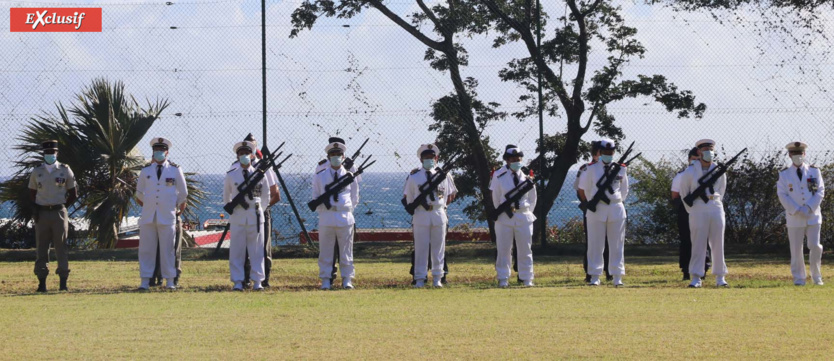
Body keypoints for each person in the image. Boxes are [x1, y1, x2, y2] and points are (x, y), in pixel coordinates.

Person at [135, 137, 187, 290]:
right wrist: (148, 204)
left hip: (167, 215)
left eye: (161, 150)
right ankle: (145, 281)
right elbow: (139, 193)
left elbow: (183, 193)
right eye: (156, 150)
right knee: (146, 249)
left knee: (168, 249)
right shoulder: (146, 170)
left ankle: (170, 280)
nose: (159, 153)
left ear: (167, 152)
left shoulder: (175, 169)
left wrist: (174, 205)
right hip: (148, 215)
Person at [403, 144, 457, 288]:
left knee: (438, 248)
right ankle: (420, 278)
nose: (429, 160)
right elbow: (409, 198)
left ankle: (437, 277)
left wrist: (439, 207)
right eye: (426, 158)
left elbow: (448, 195)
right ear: (421, 159)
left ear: (436, 158)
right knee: (421, 248)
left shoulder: (443, 176)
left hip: (438, 213)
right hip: (421, 214)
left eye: (431, 158)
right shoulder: (414, 176)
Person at [231, 134, 280, 288]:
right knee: (241, 248)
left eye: (251, 147)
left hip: (260, 211)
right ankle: (242, 279)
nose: (247, 151)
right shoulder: (234, 167)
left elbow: (275, 193)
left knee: (262, 248)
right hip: (241, 212)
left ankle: (262, 280)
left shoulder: (263, 167)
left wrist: (261, 208)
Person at [678, 139, 729, 288]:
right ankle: (696, 277)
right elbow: (684, 194)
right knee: (698, 243)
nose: (708, 152)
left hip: (715, 206)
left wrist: (714, 202)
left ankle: (720, 277)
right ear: (699, 152)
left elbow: (721, 191)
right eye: (705, 149)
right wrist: (693, 210)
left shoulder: (719, 170)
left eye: (711, 149)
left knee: (718, 243)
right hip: (698, 208)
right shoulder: (690, 171)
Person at [578, 139, 629, 287]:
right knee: (595, 244)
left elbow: (624, 190)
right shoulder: (590, 169)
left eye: (611, 152)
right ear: (599, 152)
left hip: (616, 207)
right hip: (597, 208)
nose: (608, 155)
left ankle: (617, 276)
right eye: (605, 152)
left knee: (617, 244)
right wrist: (593, 203)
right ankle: (594, 276)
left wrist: (616, 201)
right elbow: (584, 190)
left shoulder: (621, 169)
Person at [28, 140, 77, 292]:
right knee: (41, 247)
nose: (50, 155)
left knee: (61, 247)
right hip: (42, 213)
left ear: (57, 153)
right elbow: (32, 192)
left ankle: (63, 282)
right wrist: (37, 207)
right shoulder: (37, 171)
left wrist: (62, 206)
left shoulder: (65, 170)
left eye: (52, 152)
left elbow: (73, 193)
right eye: (47, 153)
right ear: (44, 154)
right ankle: (41, 283)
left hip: (59, 212)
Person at [312, 139, 360, 290]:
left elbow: (355, 198)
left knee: (346, 251)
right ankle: (326, 279)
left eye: (338, 154)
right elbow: (316, 197)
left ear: (343, 157)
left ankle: (347, 279)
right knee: (326, 251)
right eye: (332, 154)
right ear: (328, 157)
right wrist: (326, 210)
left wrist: (344, 209)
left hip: (344, 216)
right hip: (327, 216)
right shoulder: (320, 176)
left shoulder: (350, 176)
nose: (335, 157)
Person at [223, 140, 271, 291]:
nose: (244, 156)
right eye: (241, 153)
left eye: (246, 153)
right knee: (237, 250)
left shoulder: (260, 175)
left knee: (257, 250)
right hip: (238, 216)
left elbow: (266, 196)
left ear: (252, 155)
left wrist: (258, 210)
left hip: (255, 216)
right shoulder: (231, 175)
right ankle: (238, 281)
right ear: (237, 156)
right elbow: (226, 197)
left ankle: (258, 281)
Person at [776, 141, 825, 286]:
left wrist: (809, 207)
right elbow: (782, 194)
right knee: (796, 249)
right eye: (795, 154)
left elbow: (820, 191)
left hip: (813, 215)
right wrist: (796, 209)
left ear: (804, 154)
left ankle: (816, 277)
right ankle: (799, 278)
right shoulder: (784, 174)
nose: (798, 156)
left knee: (815, 245)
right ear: (790, 155)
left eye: (800, 153)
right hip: (794, 217)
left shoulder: (814, 171)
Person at [490, 145, 537, 288]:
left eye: (518, 159)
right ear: (507, 160)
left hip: (524, 216)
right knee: (504, 249)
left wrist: (524, 212)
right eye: (513, 159)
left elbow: (532, 199)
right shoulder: (499, 176)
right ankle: (503, 278)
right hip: (505, 218)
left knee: (525, 249)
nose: (516, 161)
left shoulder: (526, 177)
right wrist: (505, 211)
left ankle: (527, 277)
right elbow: (496, 198)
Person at [671, 147, 710, 280]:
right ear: (688, 160)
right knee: (686, 240)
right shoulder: (682, 175)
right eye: (693, 159)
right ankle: (686, 270)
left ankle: (704, 267)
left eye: (698, 159)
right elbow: (675, 196)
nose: (695, 162)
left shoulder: (707, 174)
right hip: (685, 210)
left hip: (703, 209)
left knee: (702, 239)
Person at [575, 141, 610, 283]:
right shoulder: (586, 169)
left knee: (610, 241)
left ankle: (610, 271)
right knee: (592, 241)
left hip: (609, 208)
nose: (601, 156)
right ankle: (590, 272)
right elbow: (579, 189)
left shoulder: (612, 168)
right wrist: (588, 203)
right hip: (592, 208)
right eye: (599, 153)